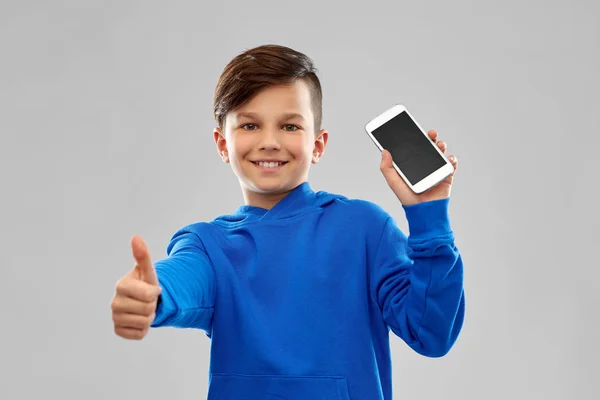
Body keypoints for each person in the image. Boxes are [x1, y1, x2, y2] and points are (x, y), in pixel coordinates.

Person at [110, 44, 465, 400]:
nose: (269, 142)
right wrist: (152, 294)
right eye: (250, 125)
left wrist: (430, 218)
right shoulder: (207, 245)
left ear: (318, 144)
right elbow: (180, 279)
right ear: (222, 144)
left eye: (290, 126)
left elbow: (431, 332)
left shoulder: (364, 229)